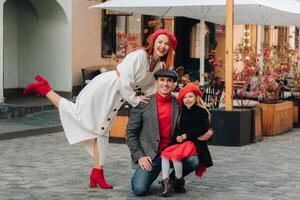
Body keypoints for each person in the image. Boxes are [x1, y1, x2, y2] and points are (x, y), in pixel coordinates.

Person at [23, 29, 177, 189]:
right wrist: (135, 99)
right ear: (153, 42)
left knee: (101, 131)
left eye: (167, 44)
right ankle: (45, 89)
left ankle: (97, 172)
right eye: (160, 41)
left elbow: (152, 89)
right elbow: (124, 80)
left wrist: (172, 97)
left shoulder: (159, 65)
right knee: (83, 118)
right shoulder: (140, 56)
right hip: (106, 88)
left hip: (117, 96)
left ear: (170, 48)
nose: (163, 46)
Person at [126, 69, 214, 196]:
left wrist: (210, 132)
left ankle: (172, 180)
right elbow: (131, 133)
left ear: (174, 85)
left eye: (169, 81)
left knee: (194, 161)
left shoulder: (179, 103)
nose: (165, 84)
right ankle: (150, 176)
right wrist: (139, 156)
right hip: (151, 155)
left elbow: (198, 121)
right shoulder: (143, 103)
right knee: (139, 189)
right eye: (162, 80)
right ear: (156, 82)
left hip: (174, 150)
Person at [160, 83, 213, 196]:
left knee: (176, 156)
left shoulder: (201, 111)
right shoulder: (181, 111)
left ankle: (178, 180)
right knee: (165, 154)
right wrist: (177, 137)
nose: (187, 100)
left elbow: (203, 127)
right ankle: (166, 180)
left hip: (192, 142)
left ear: (196, 97)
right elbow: (177, 128)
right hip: (181, 142)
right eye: (185, 97)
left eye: (190, 96)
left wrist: (187, 135)